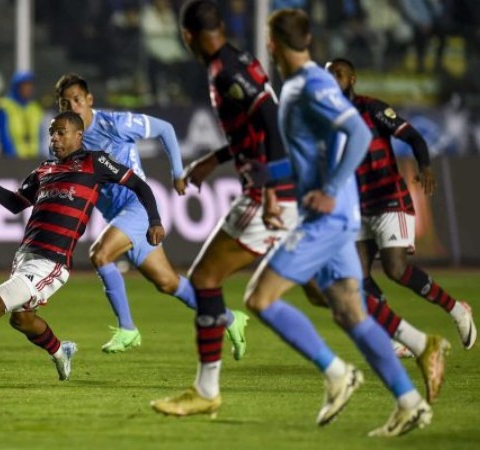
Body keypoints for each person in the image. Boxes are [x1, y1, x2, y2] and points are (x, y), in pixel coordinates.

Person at [154, 6, 432, 437]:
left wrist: (275, 188)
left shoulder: (298, 83)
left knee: (237, 290)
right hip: (316, 206)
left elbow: (319, 131)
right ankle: (411, 386)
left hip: (316, 209)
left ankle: (329, 373)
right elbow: (264, 130)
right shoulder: (262, 72)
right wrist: (218, 158)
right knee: (343, 306)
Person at [0, 111, 165, 383]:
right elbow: (14, 204)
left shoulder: (95, 162)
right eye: (51, 133)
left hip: (52, 261)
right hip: (25, 256)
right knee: (21, 320)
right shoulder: (44, 170)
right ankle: (61, 352)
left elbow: (140, 185)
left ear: (78, 135)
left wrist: (154, 221)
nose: (54, 138)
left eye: (61, 133)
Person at [151, 0, 304, 411]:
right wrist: (212, 161)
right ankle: (409, 343)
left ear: (187, 36)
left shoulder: (225, 69)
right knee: (329, 291)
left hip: (267, 192)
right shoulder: (237, 58)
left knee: (204, 278)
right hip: (276, 186)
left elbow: (270, 120)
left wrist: (270, 187)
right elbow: (252, 128)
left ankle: (206, 392)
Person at [55, 73, 249, 356]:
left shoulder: (115, 124)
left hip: (138, 207)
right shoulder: (70, 142)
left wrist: (178, 172)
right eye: (64, 102)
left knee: (100, 255)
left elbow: (166, 129)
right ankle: (231, 318)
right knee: (168, 282)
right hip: (117, 216)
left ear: (89, 100)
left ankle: (128, 328)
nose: (72, 107)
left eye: (76, 100)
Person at [325, 57, 477, 355]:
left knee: (395, 269)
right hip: (358, 206)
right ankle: (396, 338)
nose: (333, 80)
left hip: (389, 198)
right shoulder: (329, 120)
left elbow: (413, 136)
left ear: (352, 78)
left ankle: (458, 310)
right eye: (329, 75)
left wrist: (426, 167)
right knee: (357, 277)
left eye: (339, 74)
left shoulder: (373, 108)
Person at [0, 71, 46, 158]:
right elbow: (3, 135)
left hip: (34, 158)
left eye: (30, 85)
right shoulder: (5, 106)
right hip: (14, 158)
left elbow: (41, 134)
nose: (29, 88)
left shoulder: (35, 108)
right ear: (17, 87)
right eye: (25, 85)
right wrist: (11, 154)